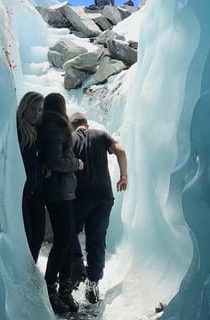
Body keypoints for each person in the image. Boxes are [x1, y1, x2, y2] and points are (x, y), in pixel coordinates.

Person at [67, 112, 128, 304]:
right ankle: (93, 282)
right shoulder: (101, 135)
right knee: (97, 239)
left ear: (72, 125)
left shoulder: (70, 138)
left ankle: (76, 265)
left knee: (69, 232)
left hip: (79, 197)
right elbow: (121, 151)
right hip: (103, 197)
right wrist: (123, 176)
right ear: (86, 124)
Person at [40, 93, 84, 313]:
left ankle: (63, 289)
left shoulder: (51, 127)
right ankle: (51, 288)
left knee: (66, 240)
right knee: (64, 240)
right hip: (59, 192)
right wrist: (75, 163)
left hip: (63, 191)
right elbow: (56, 161)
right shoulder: (55, 128)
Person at [16, 92, 46, 262]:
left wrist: (43, 166)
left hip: (37, 192)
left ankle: (30, 271)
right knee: (26, 236)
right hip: (21, 193)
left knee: (38, 235)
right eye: (33, 109)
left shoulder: (38, 132)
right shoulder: (17, 130)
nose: (36, 113)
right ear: (24, 108)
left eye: (40, 110)